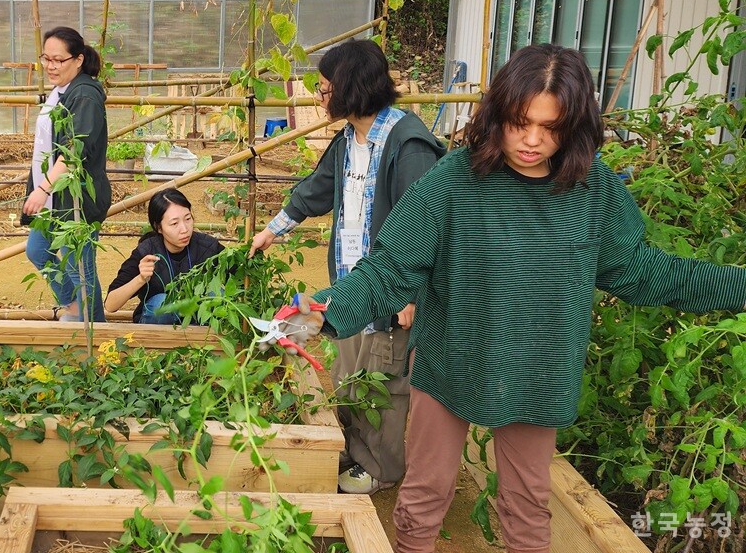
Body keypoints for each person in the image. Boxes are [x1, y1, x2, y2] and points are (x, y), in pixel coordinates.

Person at [292, 44, 746, 553]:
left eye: (551, 128)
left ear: (574, 125)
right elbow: (393, 267)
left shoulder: (594, 190)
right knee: (424, 496)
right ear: (497, 113)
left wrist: (740, 287)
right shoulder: (454, 180)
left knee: (527, 505)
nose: (532, 140)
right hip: (450, 358)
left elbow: (645, 271)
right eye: (519, 122)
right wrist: (329, 312)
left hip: (538, 367)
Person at [250, 38, 445, 495]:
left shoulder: (408, 145)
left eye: (324, 89)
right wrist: (274, 229)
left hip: (391, 289)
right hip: (352, 285)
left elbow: (427, 226)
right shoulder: (350, 139)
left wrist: (412, 296)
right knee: (350, 373)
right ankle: (354, 452)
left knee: (383, 379)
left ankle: (380, 469)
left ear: (351, 87)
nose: (320, 98)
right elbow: (316, 189)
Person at [22, 26, 111, 322]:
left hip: (76, 199)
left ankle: (95, 329)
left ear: (79, 60)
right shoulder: (62, 91)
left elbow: (75, 151)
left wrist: (43, 188)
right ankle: (74, 305)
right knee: (37, 250)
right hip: (55, 199)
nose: (50, 65)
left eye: (58, 60)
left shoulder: (84, 94)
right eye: (46, 58)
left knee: (79, 267)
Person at [105, 189, 225, 324]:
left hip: (198, 328)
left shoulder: (207, 247)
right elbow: (110, 305)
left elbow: (240, 273)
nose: (184, 229)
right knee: (163, 303)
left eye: (188, 219)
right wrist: (141, 278)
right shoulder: (148, 252)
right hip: (156, 328)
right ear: (159, 227)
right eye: (174, 224)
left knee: (217, 294)